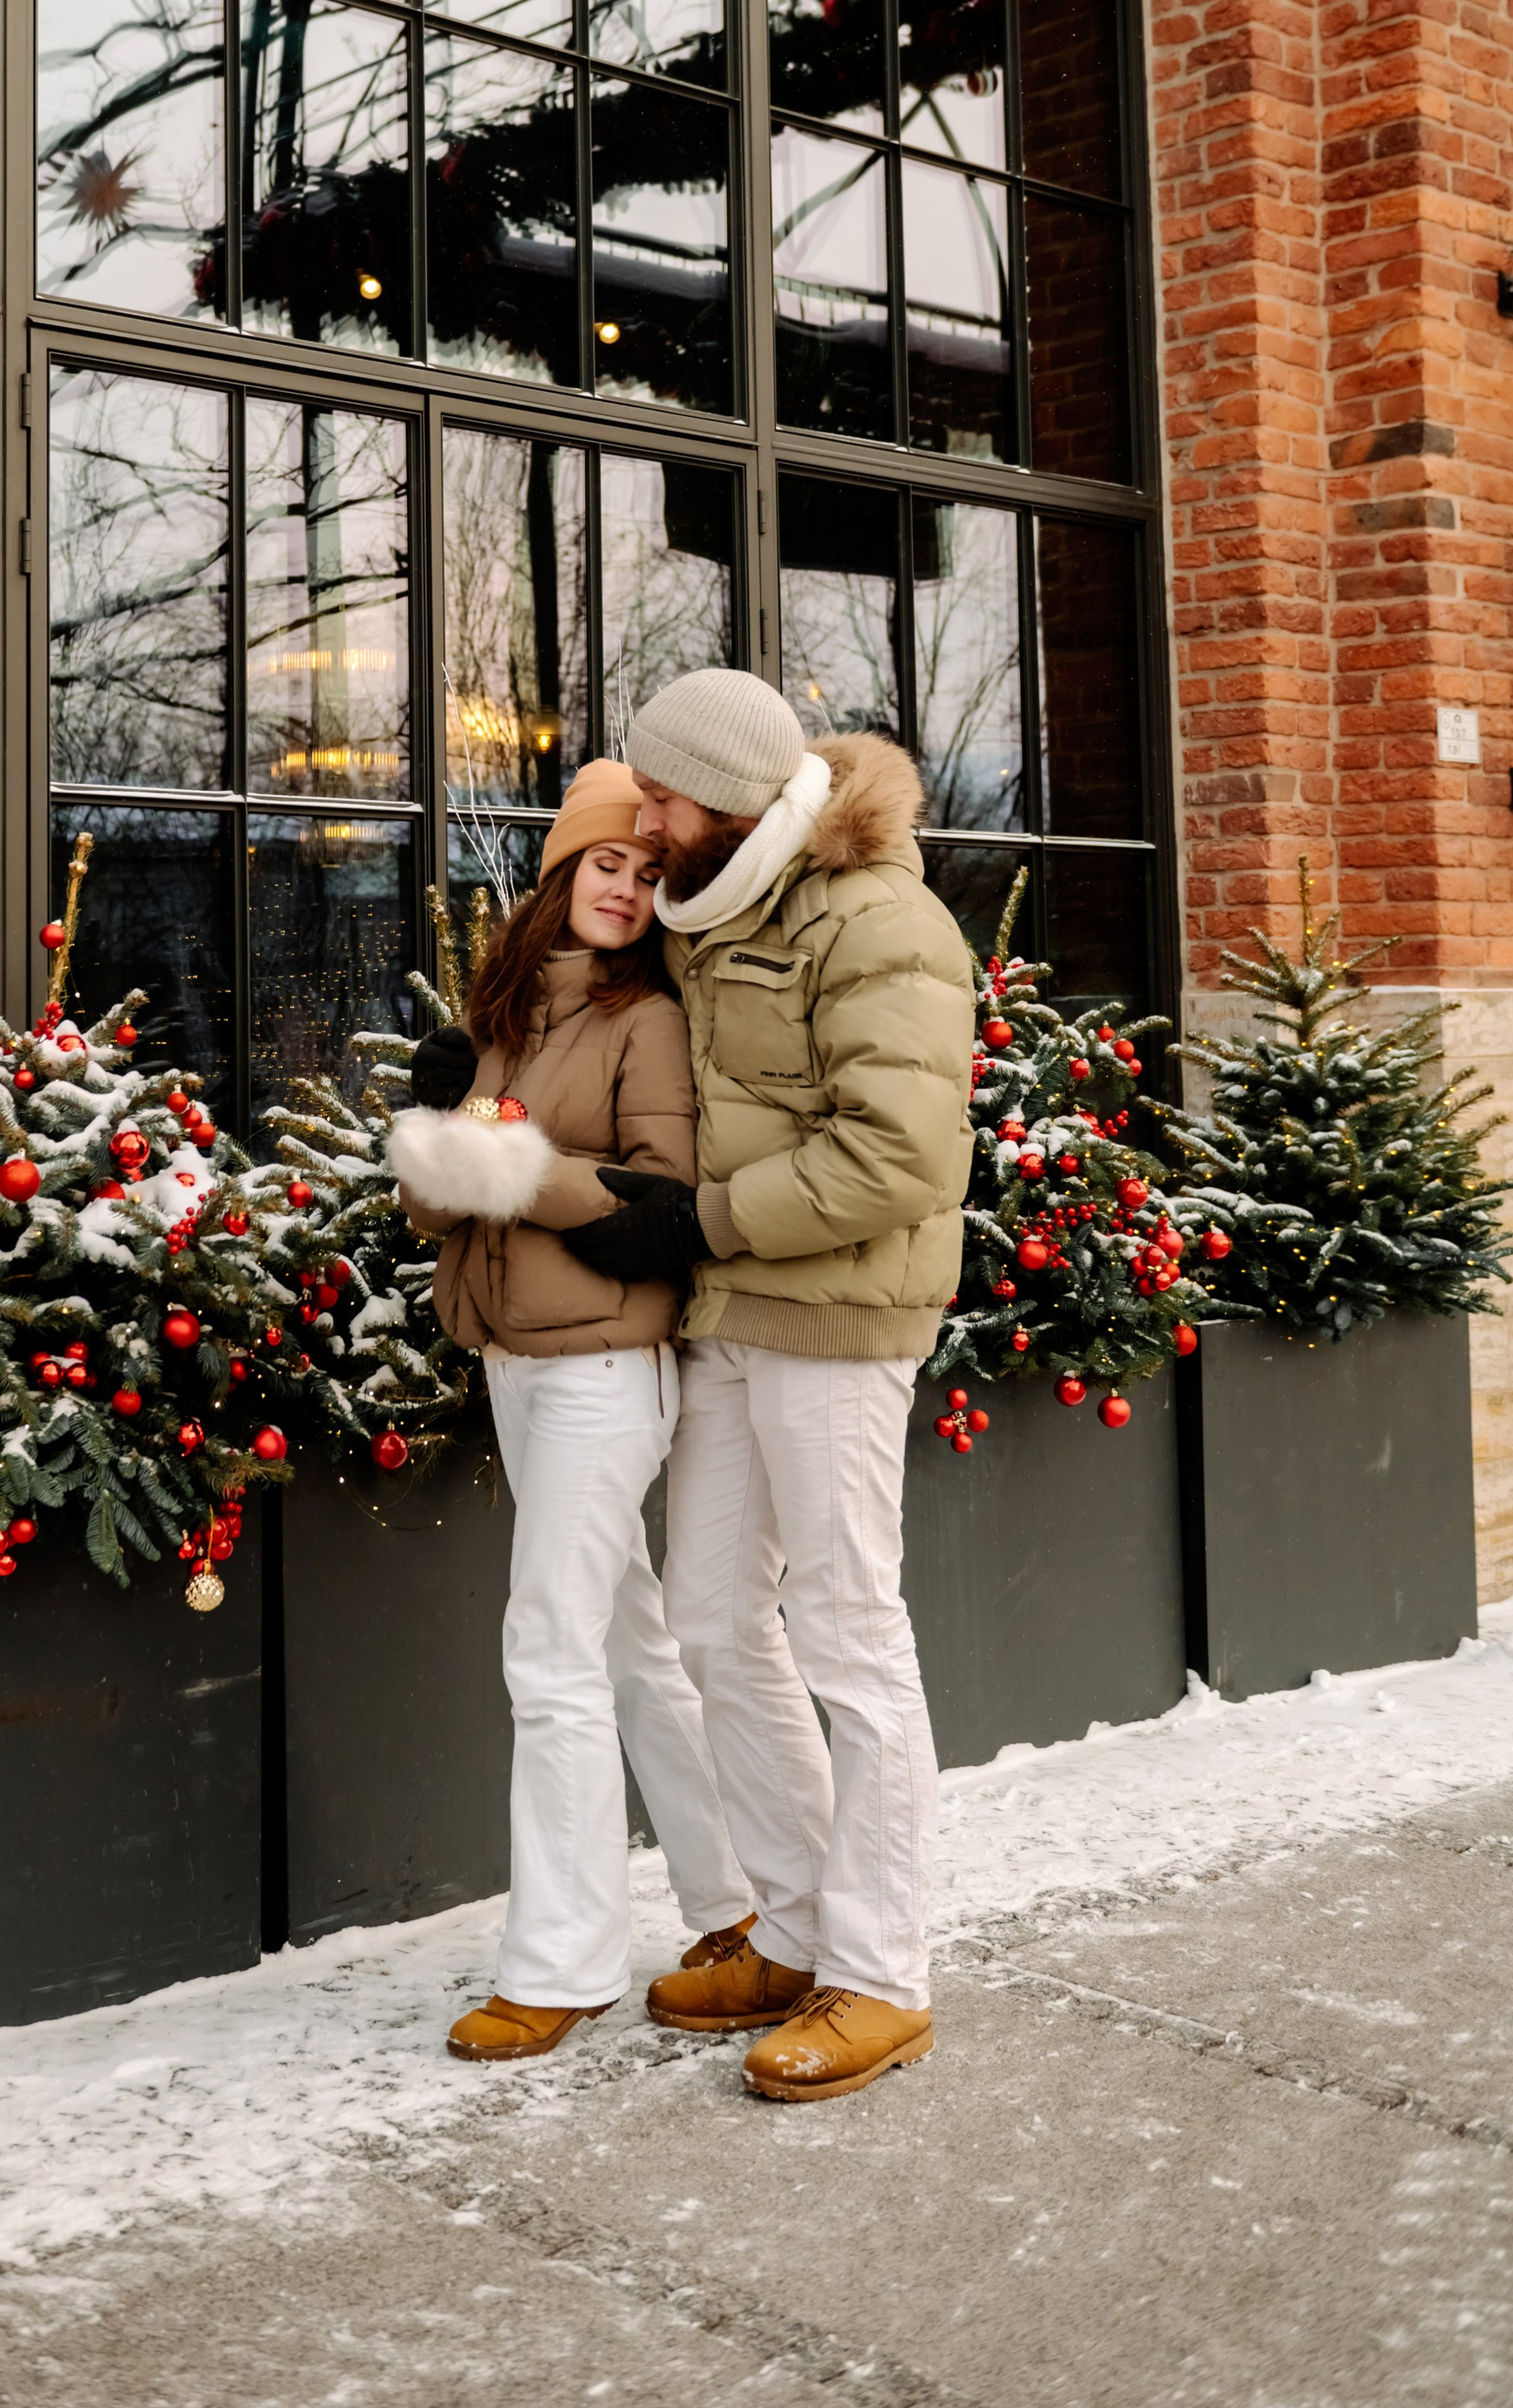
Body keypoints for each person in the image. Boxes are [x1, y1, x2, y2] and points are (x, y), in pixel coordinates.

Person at [558, 675, 974, 2104]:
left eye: (660, 799)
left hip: (840, 1316)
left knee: (849, 1630)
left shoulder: (873, 919)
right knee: (718, 1618)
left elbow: (903, 1156)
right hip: (733, 1310)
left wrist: (704, 1221)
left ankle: (883, 1973)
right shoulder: (714, 903)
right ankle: (793, 1933)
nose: (644, 823)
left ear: (727, 796)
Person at [391, 759, 753, 2063]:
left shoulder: (644, 1019)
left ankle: (564, 1963)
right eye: (610, 863)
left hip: (607, 1365)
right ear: (562, 872)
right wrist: (437, 1125)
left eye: (651, 876)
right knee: (622, 1640)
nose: (628, 888)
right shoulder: (501, 1016)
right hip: (513, 1355)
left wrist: (509, 1162)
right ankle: (733, 1903)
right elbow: (435, 1207)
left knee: (547, 1647)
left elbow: (656, 1193)